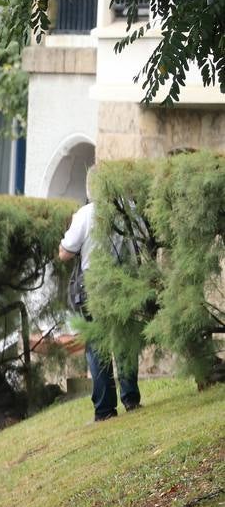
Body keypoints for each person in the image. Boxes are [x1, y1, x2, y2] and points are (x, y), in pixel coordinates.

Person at [58, 169, 141, 422]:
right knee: (125, 339)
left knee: (97, 344)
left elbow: (65, 253)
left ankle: (105, 409)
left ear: (90, 188)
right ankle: (131, 399)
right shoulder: (130, 208)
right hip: (124, 281)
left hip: (93, 285)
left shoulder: (85, 214)